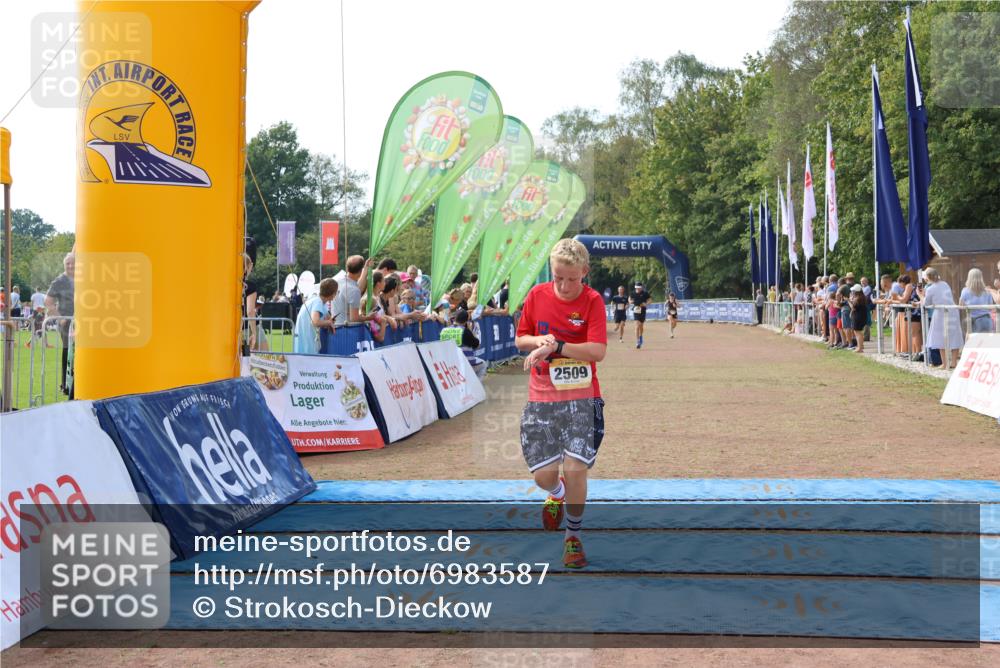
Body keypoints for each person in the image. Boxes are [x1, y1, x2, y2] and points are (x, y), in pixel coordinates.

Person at [515, 238, 606, 569]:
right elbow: (520, 337)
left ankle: (573, 536)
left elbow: (597, 351)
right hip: (541, 399)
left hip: (583, 399)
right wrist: (537, 341)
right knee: (543, 476)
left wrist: (556, 347)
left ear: (585, 272)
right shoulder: (537, 296)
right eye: (558, 277)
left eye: (572, 278)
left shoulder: (593, 301)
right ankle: (555, 494)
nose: (565, 286)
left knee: (575, 467)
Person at [922, 267, 963, 368]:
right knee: (954, 335)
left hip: (940, 313)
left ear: (927, 277)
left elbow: (926, 303)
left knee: (940, 337)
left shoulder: (930, 289)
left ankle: (945, 363)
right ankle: (953, 362)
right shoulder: (944, 284)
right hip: (952, 311)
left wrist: (920, 295)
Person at [46, 252, 75, 394]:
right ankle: (65, 385)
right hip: (66, 323)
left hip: (83, 321)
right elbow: (48, 302)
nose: (71, 265)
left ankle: (77, 383)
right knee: (67, 350)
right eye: (68, 263)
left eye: (73, 263)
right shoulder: (59, 281)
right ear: (64, 265)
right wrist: (60, 318)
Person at [332, 255, 380, 328]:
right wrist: (369, 317)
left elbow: (357, 287)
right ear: (360, 270)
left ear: (347, 268)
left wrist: (366, 268)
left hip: (336, 328)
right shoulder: (354, 290)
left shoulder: (338, 282)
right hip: (346, 331)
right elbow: (354, 318)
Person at [293, 278, 338, 354]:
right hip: (308, 345)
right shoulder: (318, 302)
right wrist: (329, 323)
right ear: (333, 293)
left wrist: (328, 322)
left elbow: (326, 317)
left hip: (304, 342)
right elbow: (315, 322)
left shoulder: (316, 300)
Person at [959, 268, 995, 334]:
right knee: (986, 343)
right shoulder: (987, 291)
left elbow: (961, 305)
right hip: (986, 320)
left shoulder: (965, 291)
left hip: (973, 321)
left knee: (972, 342)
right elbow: (991, 307)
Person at [453, 308, 486, 380]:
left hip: (450, 362)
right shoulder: (465, 331)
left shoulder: (444, 330)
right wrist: (471, 331)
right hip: (466, 362)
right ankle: (476, 387)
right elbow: (477, 345)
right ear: (466, 321)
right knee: (483, 364)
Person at [628, 282, 651, 349]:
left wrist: (646, 304)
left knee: (641, 326)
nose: (637, 289)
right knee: (637, 326)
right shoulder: (633, 293)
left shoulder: (645, 293)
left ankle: (641, 337)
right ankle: (637, 341)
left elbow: (650, 300)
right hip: (636, 310)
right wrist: (631, 301)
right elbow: (629, 299)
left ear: (641, 288)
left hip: (643, 311)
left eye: (639, 288)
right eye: (636, 288)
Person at [849, 284, 870, 353]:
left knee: (858, 332)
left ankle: (860, 348)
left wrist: (848, 301)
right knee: (858, 332)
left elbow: (853, 307)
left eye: (853, 291)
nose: (852, 292)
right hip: (860, 317)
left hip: (858, 317)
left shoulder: (858, 298)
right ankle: (860, 346)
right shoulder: (861, 297)